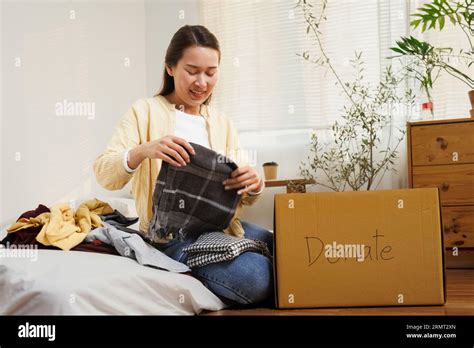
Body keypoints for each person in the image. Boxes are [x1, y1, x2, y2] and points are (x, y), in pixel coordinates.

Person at [93, 25, 273, 307]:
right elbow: (105, 173)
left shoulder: (221, 121)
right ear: (170, 68)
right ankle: (199, 264)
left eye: (210, 73)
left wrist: (254, 182)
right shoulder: (145, 111)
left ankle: (222, 254)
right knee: (257, 278)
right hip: (169, 236)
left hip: (222, 228)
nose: (201, 82)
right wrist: (143, 151)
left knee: (284, 247)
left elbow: (246, 193)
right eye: (192, 70)